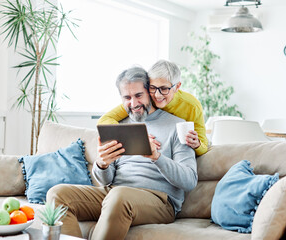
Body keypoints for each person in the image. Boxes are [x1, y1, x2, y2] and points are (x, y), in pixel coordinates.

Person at [46, 66, 198, 240]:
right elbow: (105, 180)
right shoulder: (118, 126)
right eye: (127, 97)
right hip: (114, 193)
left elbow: (189, 180)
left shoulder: (177, 126)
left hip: (159, 200)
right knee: (57, 194)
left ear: (149, 92)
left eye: (138, 95)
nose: (133, 104)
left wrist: (157, 157)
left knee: (119, 196)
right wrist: (102, 164)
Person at [98, 60, 208, 156]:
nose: (157, 95)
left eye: (164, 89)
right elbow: (104, 120)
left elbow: (204, 146)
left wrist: (197, 144)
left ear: (177, 87)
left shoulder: (191, 105)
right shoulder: (144, 100)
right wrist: (136, 138)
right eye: (153, 88)